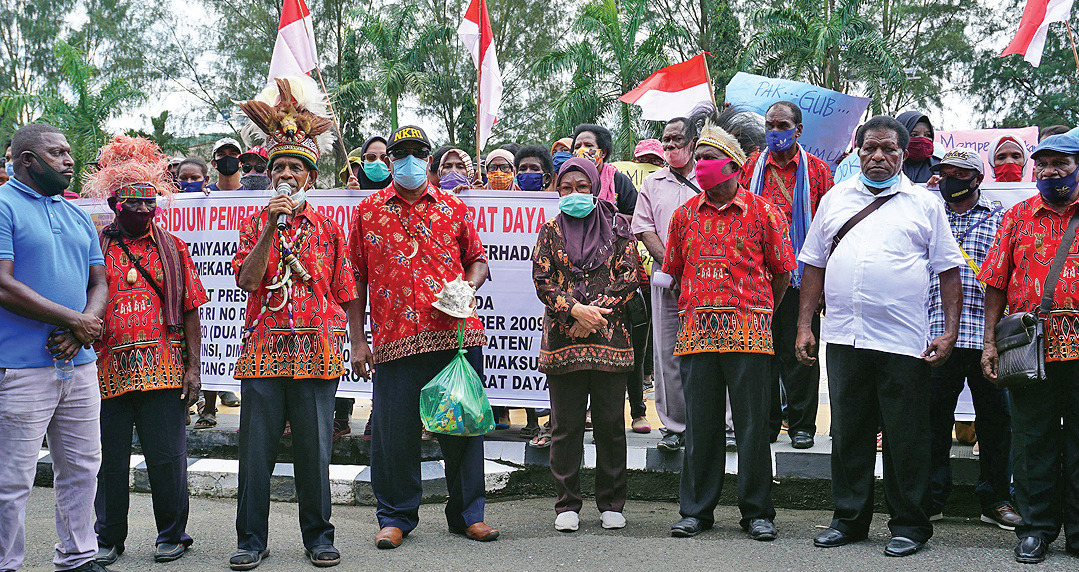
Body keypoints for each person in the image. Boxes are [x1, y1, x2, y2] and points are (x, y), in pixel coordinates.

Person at [796, 115, 964, 557]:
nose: (879, 156)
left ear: (903, 154)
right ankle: (849, 520)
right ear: (858, 150)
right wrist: (803, 325)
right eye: (870, 148)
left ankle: (909, 525)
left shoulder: (924, 204)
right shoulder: (835, 198)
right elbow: (813, 263)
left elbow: (949, 271)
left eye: (889, 149)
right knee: (849, 431)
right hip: (845, 337)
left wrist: (948, 332)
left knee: (905, 435)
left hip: (903, 342)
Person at [348, 124, 498, 550]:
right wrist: (358, 340)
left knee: (462, 428)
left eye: (418, 153)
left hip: (455, 338)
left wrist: (468, 286)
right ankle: (395, 517)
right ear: (390, 161)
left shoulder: (453, 206)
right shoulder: (367, 211)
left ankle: (469, 515)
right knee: (395, 434)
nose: (409, 160)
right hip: (394, 342)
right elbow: (354, 279)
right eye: (401, 154)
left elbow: (479, 261)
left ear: (428, 161)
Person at [228, 77, 355, 570]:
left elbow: (344, 293)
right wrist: (268, 227)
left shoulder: (329, 227)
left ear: (310, 177)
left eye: (295, 167)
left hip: (317, 351)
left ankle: (319, 537)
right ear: (269, 174)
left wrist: (355, 343)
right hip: (262, 350)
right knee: (255, 455)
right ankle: (250, 541)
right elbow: (246, 280)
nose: (285, 173)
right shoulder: (252, 221)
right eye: (278, 166)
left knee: (314, 452)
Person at [662, 110, 796, 542]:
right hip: (697, 334)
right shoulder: (683, 215)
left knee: (755, 427)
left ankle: (757, 512)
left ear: (735, 166)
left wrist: (756, 310)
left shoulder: (764, 213)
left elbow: (781, 272)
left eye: (708, 157)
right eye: (696, 157)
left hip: (750, 333)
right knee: (700, 429)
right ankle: (697, 512)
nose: (699, 164)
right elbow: (677, 270)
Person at [83, 136, 207, 565]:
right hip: (105, 370)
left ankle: (172, 534)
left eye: (150, 203)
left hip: (164, 369)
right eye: (133, 204)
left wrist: (194, 369)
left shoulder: (173, 248)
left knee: (168, 459)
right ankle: (108, 537)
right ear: (115, 205)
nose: (144, 211)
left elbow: (191, 309)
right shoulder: (94, 247)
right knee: (108, 462)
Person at [0, 123, 110, 572]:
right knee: (13, 479)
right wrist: (73, 319)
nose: (69, 160)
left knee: (82, 469)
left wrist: (83, 327)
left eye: (69, 152)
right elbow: (3, 285)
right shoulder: (4, 206)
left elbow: (99, 280)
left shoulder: (76, 213)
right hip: (21, 367)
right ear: (27, 159)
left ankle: (78, 557)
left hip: (79, 365)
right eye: (58, 153)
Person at [980, 128, 1079, 564]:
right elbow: (996, 283)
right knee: (1031, 439)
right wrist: (989, 344)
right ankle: (1037, 528)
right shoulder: (1018, 215)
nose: (1051, 171)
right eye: (1044, 164)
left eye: (1062, 164)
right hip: (1028, 348)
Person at [532, 156, 640, 532]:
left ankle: (611, 502)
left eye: (581, 187)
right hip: (564, 342)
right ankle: (567, 505)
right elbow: (543, 280)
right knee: (565, 427)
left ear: (594, 187)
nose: (574, 194)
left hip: (611, 340)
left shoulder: (617, 225)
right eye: (566, 188)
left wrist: (592, 316)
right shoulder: (549, 230)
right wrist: (575, 311)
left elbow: (629, 277)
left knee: (611, 425)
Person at [921, 148, 1018, 531]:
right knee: (932, 420)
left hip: (986, 338)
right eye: (944, 173)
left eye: (958, 174)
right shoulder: (928, 215)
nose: (948, 180)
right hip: (935, 336)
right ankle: (930, 497)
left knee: (996, 422)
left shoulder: (1002, 219)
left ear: (977, 179)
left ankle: (995, 499)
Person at [738, 101, 833, 449]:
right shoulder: (751, 168)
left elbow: (829, 229)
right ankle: (766, 422)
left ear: (799, 130)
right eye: (769, 125)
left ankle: (802, 424)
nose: (775, 132)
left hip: (802, 276)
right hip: (757, 277)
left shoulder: (819, 172)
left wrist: (822, 282)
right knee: (761, 352)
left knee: (801, 349)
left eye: (782, 125)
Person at [631, 116, 700, 452]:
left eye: (677, 140)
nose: (671, 146)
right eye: (666, 141)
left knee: (713, 351)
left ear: (693, 141)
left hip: (709, 283)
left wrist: (694, 271)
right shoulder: (652, 184)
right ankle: (674, 426)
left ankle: (718, 424)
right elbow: (644, 229)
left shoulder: (711, 176)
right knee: (667, 352)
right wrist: (674, 268)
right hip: (666, 281)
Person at [571, 124, 637, 215]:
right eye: (577, 147)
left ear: (603, 153)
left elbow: (635, 217)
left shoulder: (619, 181)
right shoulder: (568, 180)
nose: (581, 150)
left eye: (588, 145)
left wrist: (604, 219)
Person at [895, 111, 940, 183]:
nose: (922, 139)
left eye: (927, 135)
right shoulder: (886, 165)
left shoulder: (940, 167)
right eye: (914, 135)